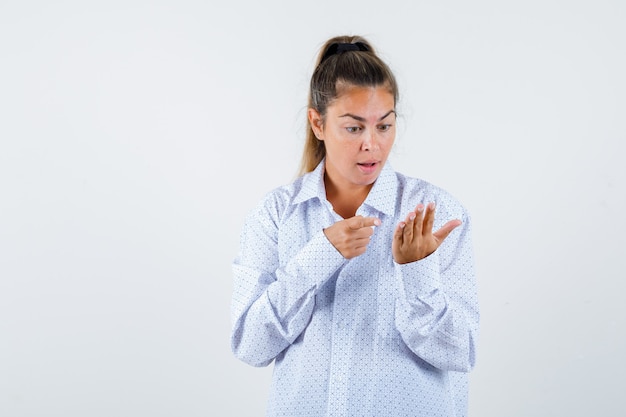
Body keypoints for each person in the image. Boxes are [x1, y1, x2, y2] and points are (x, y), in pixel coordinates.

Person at [230, 35, 479, 417]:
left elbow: (460, 351)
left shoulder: (436, 211)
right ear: (318, 123)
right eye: (353, 128)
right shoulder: (277, 213)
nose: (372, 145)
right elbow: (250, 345)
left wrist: (416, 273)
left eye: (384, 126)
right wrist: (318, 256)